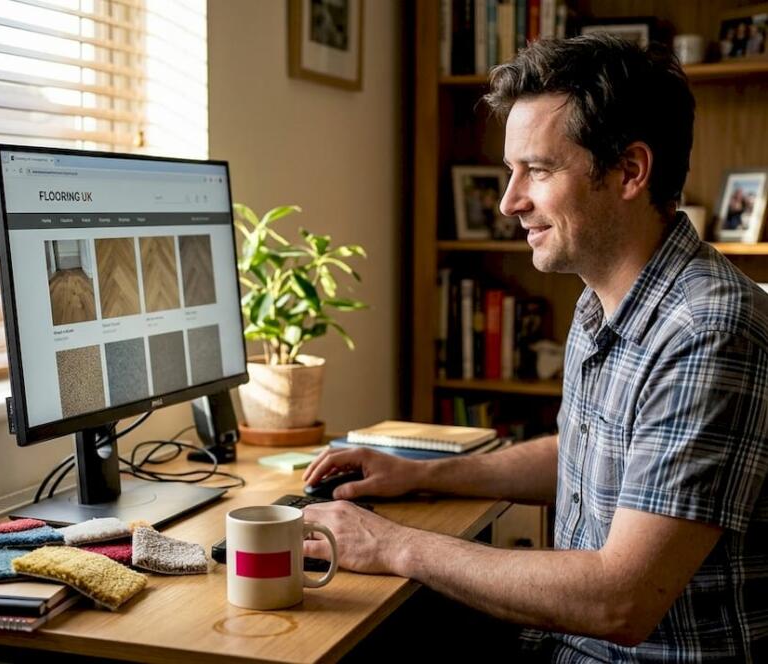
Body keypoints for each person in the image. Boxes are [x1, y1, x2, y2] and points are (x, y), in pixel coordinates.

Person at [302, 34, 768, 662]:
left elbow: (620, 600)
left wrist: (391, 544)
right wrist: (422, 476)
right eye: (511, 171)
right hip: (570, 641)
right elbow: (584, 454)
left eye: (539, 171)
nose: (509, 201)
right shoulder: (604, 295)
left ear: (630, 171)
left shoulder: (708, 330)